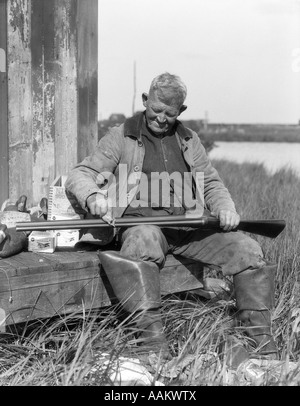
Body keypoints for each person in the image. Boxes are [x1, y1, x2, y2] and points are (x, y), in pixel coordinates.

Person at [65, 72, 277, 360]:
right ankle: (152, 349)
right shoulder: (121, 136)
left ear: (181, 112)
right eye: (155, 110)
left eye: (170, 113)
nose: (161, 118)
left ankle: (260, 349)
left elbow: (212, 184)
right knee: (142, 240)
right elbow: (82, 174)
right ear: (144, 101)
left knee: (248, 250)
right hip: (143, 226)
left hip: (190, 229)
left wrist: (226, 208)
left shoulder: (190, 140)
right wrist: (93, 196)